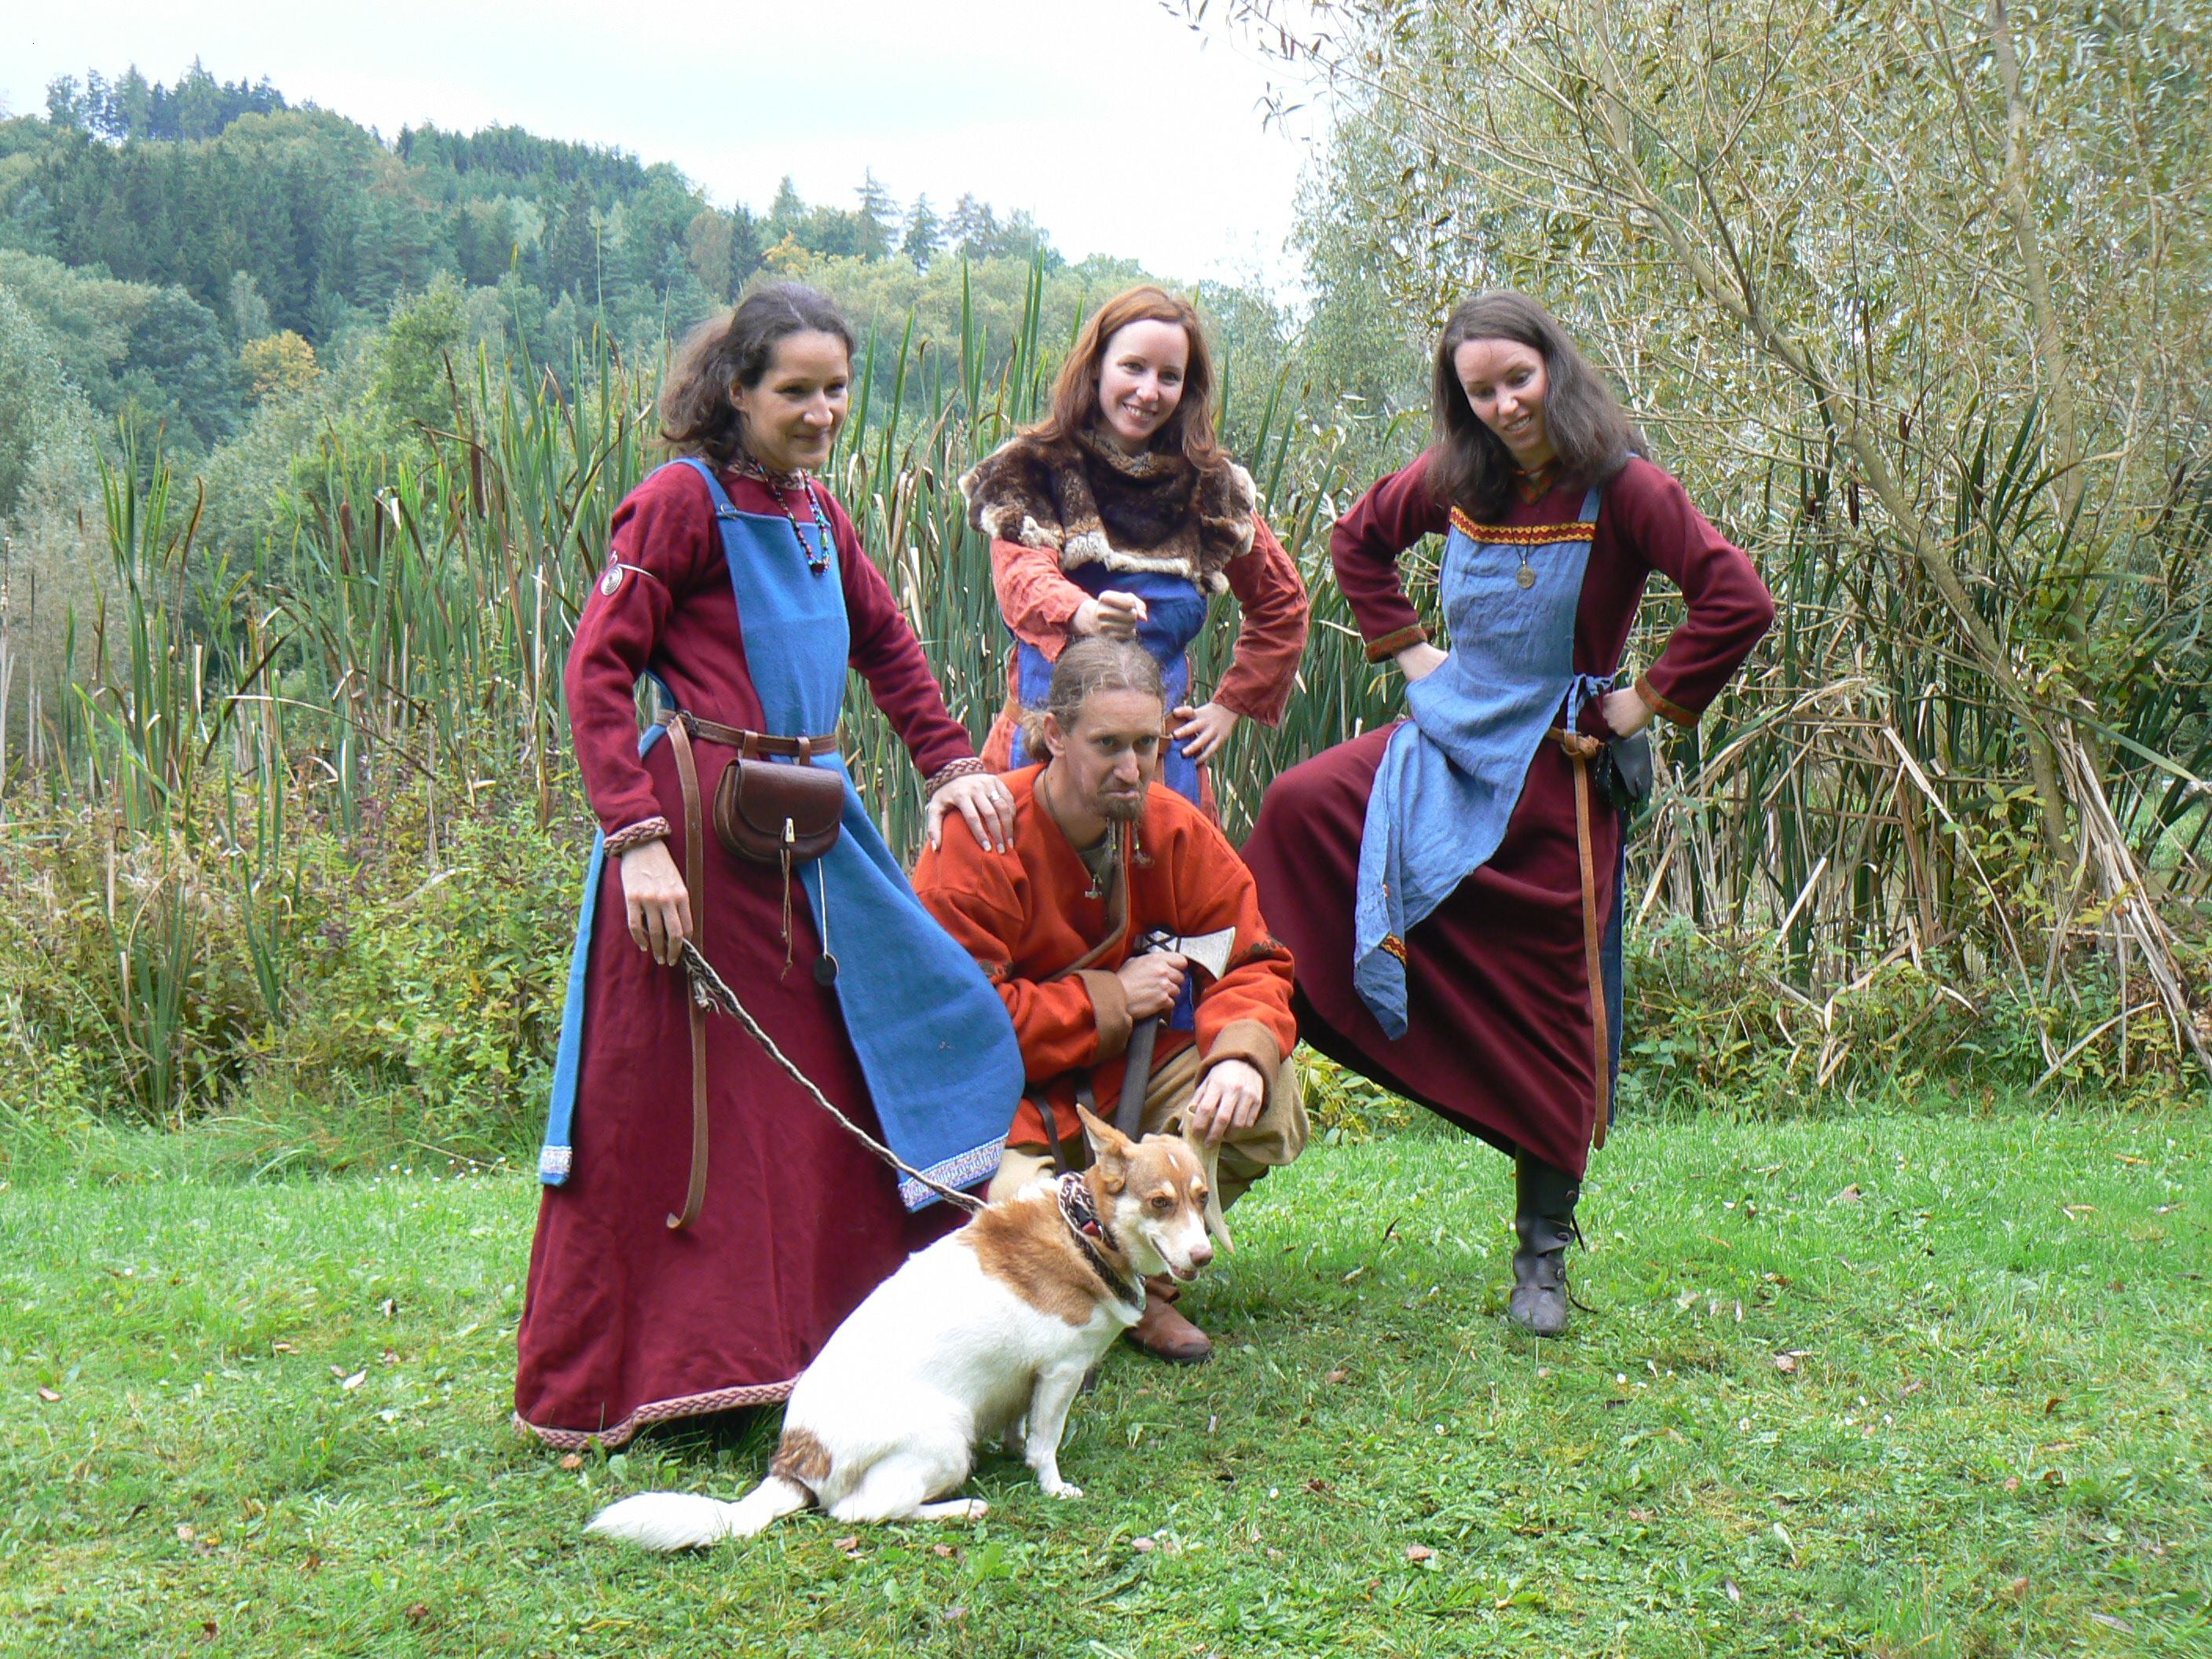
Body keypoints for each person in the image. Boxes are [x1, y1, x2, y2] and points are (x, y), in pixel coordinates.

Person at [517, 284, 1027, 1449]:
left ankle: (827, 1344)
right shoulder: (677, 503)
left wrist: (949, 762)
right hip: (698, 838)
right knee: (693, 1107)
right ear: (736, 389)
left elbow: (886, 642)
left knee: (867, 1061)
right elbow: (597, 672)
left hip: (813, 827)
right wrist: (636, 839)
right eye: (794, 389)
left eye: (835, 388)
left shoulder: (817, 513)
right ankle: (663, 1370)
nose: (820, 411)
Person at [1243, 291, 1774, 1338]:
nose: (1502, 406)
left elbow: (1736, 600)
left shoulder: (1625, 486)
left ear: (1553, 369)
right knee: (1301, 807)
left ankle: (1542, 1255)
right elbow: (1357, 542)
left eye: (1516, 381)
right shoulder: (1454, 475)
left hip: (1557, 769)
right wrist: (1407, 650)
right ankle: (1247, 1027)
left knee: (1552, 1002)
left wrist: (1642, 702)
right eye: (1479, 391)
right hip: (1447, 736)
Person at [913, 636, 1309, 1364]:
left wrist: (1240, 1056)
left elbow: (1251, 959)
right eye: (1108, 745)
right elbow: (958, 1032)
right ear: (1055, 734)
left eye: (1147, 745)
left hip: (1114, 1087)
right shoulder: (980, 839)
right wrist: (1112, 999)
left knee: (1268, 1091)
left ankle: (1137, 1281)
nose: (1132, 769)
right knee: (1023, 1215)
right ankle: (1098, 1295)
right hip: (1001, 1111)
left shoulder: (1171, 828)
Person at [960, 284, 1309, 819]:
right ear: (1097, 366)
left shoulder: (1211, 487)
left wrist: (1229, 707)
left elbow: (1282, 604)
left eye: (1169, 376)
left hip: (1162, 774)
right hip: (1039, 761)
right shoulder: (1030, 469)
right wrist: (1083, 613)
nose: (1149, 392)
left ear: (1186, 388)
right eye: (1133, 367)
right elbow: (1021, 582)